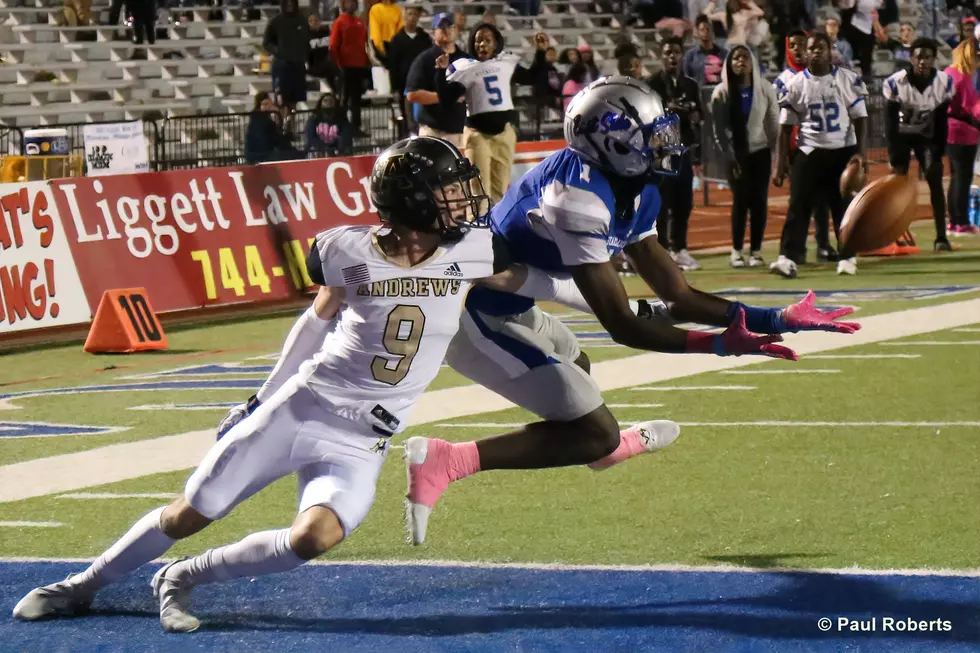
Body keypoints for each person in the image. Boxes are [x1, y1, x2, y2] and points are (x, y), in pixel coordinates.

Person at [11, 136, 498, 633]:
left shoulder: (477, 251)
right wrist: (260, 400)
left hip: (364, 438)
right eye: (447, 190)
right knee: (191, 514)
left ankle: (181, 577)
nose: (461, 200)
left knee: (314, 537)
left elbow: (544, 278)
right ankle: (79, 586)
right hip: (303, 408)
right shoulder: (346, 250)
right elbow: (315, 324)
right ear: (411, 198)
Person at [404, 76, 862, 545]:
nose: (666, 144)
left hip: (513, 298)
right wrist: (721, 344)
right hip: (471, 314)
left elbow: (677, 295)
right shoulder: (576, 197)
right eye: (651, 135)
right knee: (594, 431)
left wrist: (775, 318)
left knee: (577, 365)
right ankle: (448, 459)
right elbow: (623, 324)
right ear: (610, 142)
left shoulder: (635, 186)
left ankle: (596, 446)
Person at [772, 31, 869, 278]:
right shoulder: (795, 84)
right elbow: (785, 128)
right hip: (809, 150)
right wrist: (780, 161)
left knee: (842, 208)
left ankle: (848, 256)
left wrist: (860, 154)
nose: (816, 52)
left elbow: (861, 119)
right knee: (798, 205)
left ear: (829, 51)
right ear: (806, 52)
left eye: (821, 48)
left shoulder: (847, 79)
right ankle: (788, 257)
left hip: (841, 151)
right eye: (812, 48)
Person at [436, 26, 549, 202]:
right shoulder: (466, 67)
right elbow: (446, 98)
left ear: (496, 43)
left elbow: (531, 78)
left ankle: (497, 227)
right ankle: (479, 225)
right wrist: (440, 71)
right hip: (477, 132)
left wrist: (541, 53)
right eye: (478, 40)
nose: (482, 44)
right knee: (479, 188)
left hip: (504, 132)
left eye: (487, 40)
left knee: (500, 189)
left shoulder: (506, 63)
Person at [883, 38, 954, 251]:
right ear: (911, 58)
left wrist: (939, 152)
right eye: (919, 56)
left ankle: (941, 236)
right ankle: (894, 234)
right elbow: (890, 123)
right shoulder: (895, 82)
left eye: (928, 56)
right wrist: (895, 152)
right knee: (898, 186)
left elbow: (942, 120)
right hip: (902, 136)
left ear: (934, 58)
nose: (923, 61)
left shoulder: (943, 81)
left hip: (927, 137)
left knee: (935, 179)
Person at [712, 45, 778, 269]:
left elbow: (772, 120)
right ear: (729, 64)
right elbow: (718, 129)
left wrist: (772, 149)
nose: (741, 62)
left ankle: (757, 251)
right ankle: (737, 250)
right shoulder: (721, 92)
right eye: (736, 58)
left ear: (752, 63)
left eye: (745, 58)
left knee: (759, 202)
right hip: (736, 154)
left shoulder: (765, 89)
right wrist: (729, 156)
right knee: (740, 202)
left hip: (760, 153)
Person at [775, 29, 838, 263]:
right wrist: (782, 157)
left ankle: (824, 244)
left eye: (802, 44)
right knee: (800, 200)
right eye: (793, 45)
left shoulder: (825, 75)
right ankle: (794, 250)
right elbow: (780, 121)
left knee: (823, 199)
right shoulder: (783, 80)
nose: (798, 50)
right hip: (797, 148)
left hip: (823, 145)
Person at [648, 36, 704, 270]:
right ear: (662, 56)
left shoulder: (690, 85)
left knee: (684, 202)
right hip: (660, 152)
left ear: (682, 56)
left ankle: (680, 248)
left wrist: (691, 113)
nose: (672, 56)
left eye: (676, 52)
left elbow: (700, 116)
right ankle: (661, 252)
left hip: (683, 150)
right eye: (668, 52)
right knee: (661, 204)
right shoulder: (652, 84)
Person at [405, 12, 467, 147]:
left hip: (462, 132)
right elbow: (412, 94)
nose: (446, 30)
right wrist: (445, 97)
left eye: (450, 26)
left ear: (456, 30)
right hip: (433, 132)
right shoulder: (424, 59)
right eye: (441, 27)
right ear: (433, 34)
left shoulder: (465, 59)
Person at [946, 39, 980, 235]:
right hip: (963, 131)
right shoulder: (962, 78)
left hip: (949, 130)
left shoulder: (948, 73)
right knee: (963, 178)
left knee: (955, 176)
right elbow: (973, 108)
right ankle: (962, 222)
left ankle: (953, 222)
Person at [384, 3, 433, 135]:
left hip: (423, 86)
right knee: (407, 121)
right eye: (410, 14)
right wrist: (394, 88)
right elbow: (393, 66)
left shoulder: (425, 39)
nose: (412, 18)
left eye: (415, 14)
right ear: (404, 15)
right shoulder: (397, 40)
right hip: (403, 86)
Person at [330, 0, 371, 136]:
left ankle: (355, 127)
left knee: (356, 99)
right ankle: (341, 128)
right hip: (345, 66)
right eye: (348, 2)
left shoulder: (359, 22)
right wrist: (338, 65)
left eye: (353, 2)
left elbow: (363, 44)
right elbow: (333, 46)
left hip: (358, 66)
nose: (351, 5)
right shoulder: (339, 22)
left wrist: (365, 63)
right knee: (344, 99)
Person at [264, 0, 310, 117]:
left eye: (292, 3)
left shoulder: (302, 20)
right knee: (280, 102)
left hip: (298, 66)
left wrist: (305, 56)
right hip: (281, 67)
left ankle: (291, 129)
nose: (290, 5)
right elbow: (267, 43)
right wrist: (278, 51)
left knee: (294, 101)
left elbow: (307, 41)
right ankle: (279, 129)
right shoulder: (275, 21)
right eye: (287, 3)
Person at [245, 92, 300, 164]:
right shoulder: (259, 119)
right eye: (265, 104)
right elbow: (273, 137)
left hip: (264, 151)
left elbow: (276, 135)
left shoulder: (267, 117)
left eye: (270, 103)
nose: (269, 106)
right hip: (261, 154)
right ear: (259, 105)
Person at [683, 14, 727, 87]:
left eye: (708, 29)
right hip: (700, 93)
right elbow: (687, 78)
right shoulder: (690, 55)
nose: (705, 32)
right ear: (697, 32)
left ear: (712, 31)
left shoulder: (724, 53)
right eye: (702, 30)